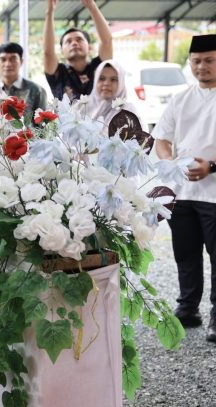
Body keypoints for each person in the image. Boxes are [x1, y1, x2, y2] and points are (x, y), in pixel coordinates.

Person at [151, 33, 216, 343]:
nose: (202, 66)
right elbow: (161, 138)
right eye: (196, 61)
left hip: (214, 191)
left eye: (209, 60)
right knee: (185, 253)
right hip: (184, 192)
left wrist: (211, 166)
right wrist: (171, 161)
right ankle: (187, 307)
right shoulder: (180, 99)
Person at [43, 0, 113, 100]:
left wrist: (91, 5)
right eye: (68, 41)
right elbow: (48, 53)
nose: (74, 43)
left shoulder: (98, 67)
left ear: (89, 47)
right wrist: (49, 12)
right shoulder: (59, 72)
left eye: (79, 39)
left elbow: (107, 41)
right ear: (62, 51)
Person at [76, 59, 142, 126]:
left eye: (113, 79)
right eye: (101, 78)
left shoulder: (130, 113)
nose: (106, 83)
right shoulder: (81, 107)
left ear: (121, 83)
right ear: (95, 81)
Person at [0, 42, 47, 119]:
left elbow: (42, 126)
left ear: (21, 62)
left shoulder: (37, 91)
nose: (8, 64)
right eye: (3, 59)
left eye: (13, 59)